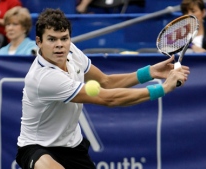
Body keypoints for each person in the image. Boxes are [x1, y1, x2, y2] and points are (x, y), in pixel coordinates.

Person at [15, 8, 190, 169]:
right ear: (39, 41)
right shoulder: (44, 77)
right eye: (52, 39)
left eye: (64, 38)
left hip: (72, 145)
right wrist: (163, 88)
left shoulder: (71, 52)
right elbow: (109, 98)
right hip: (36, 146)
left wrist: (150, 72)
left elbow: (105, 82)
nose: (59, 45)